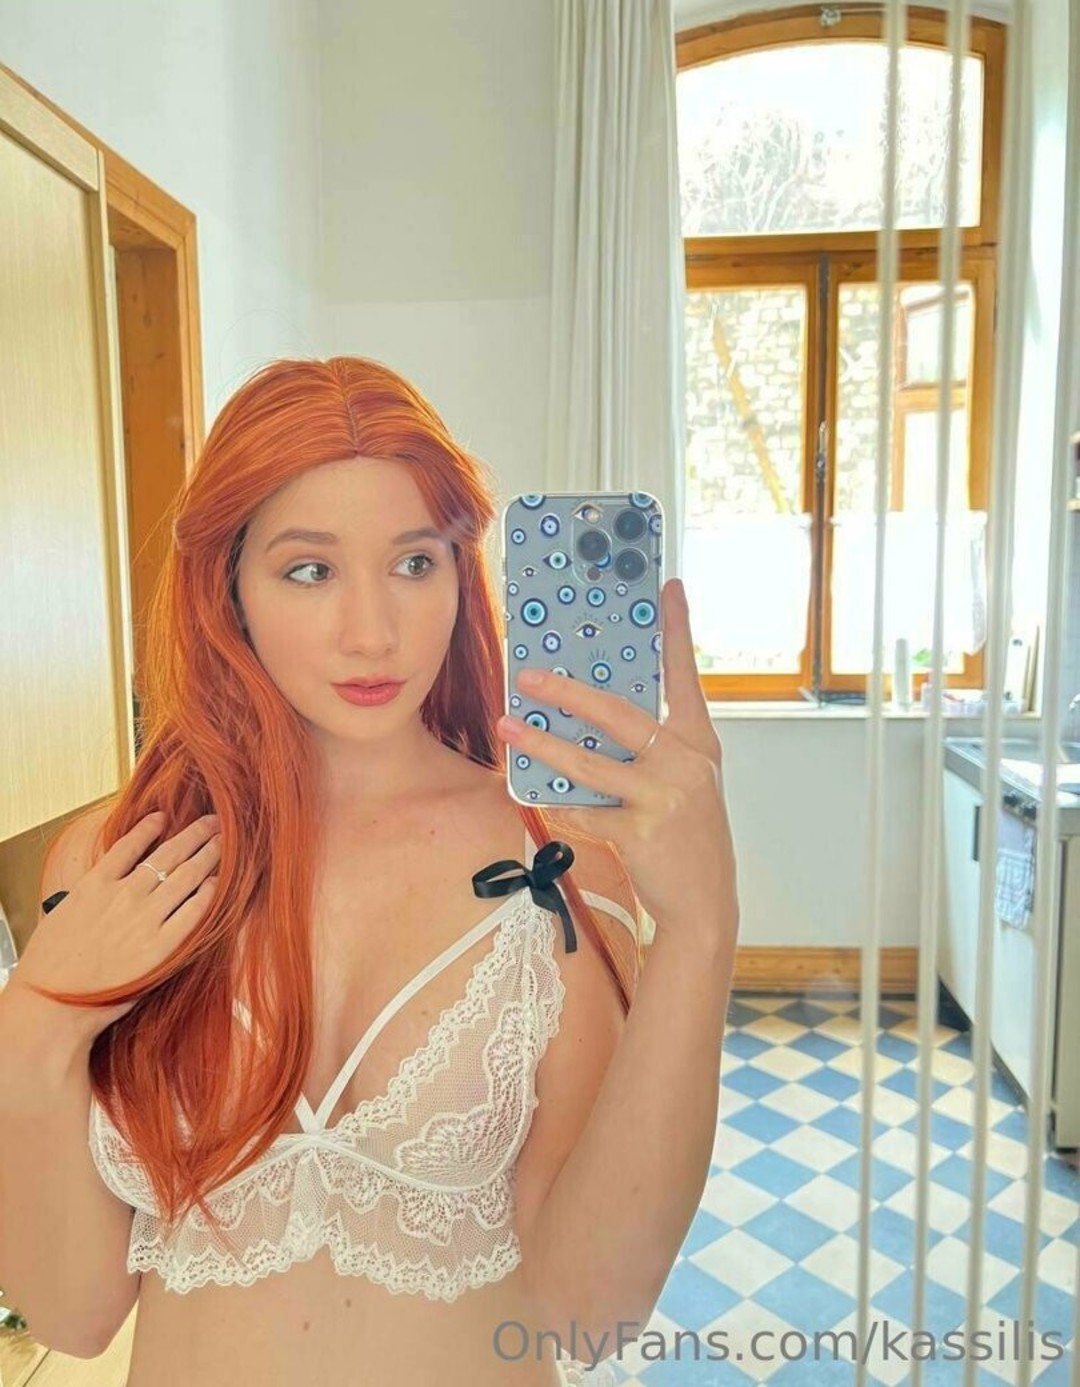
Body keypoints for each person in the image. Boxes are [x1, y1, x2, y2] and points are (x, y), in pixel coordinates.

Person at [0, 357, 739, 1386]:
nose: (372, 632)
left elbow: (588, 1312)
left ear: (460, 574)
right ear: (228, 586)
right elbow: (71, 1313)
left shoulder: (557, 862)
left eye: (414, 562)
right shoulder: (118, 864)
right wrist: (34, 1020)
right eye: (309, 569)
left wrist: (701, 929)